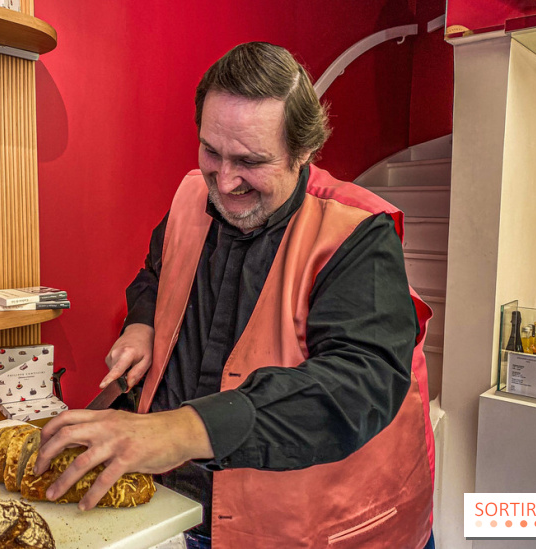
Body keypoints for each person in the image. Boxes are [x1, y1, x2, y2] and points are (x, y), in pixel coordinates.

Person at [34, 42, 435, 548]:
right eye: (211, 152)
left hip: (313, 530)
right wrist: (143, 325)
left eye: (251, 161)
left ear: (305, 150)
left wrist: (180, 430)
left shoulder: (357, 232)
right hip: (181, 510)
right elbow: (156, 276)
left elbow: (358, 384)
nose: (224, 182)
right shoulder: (189, 197)